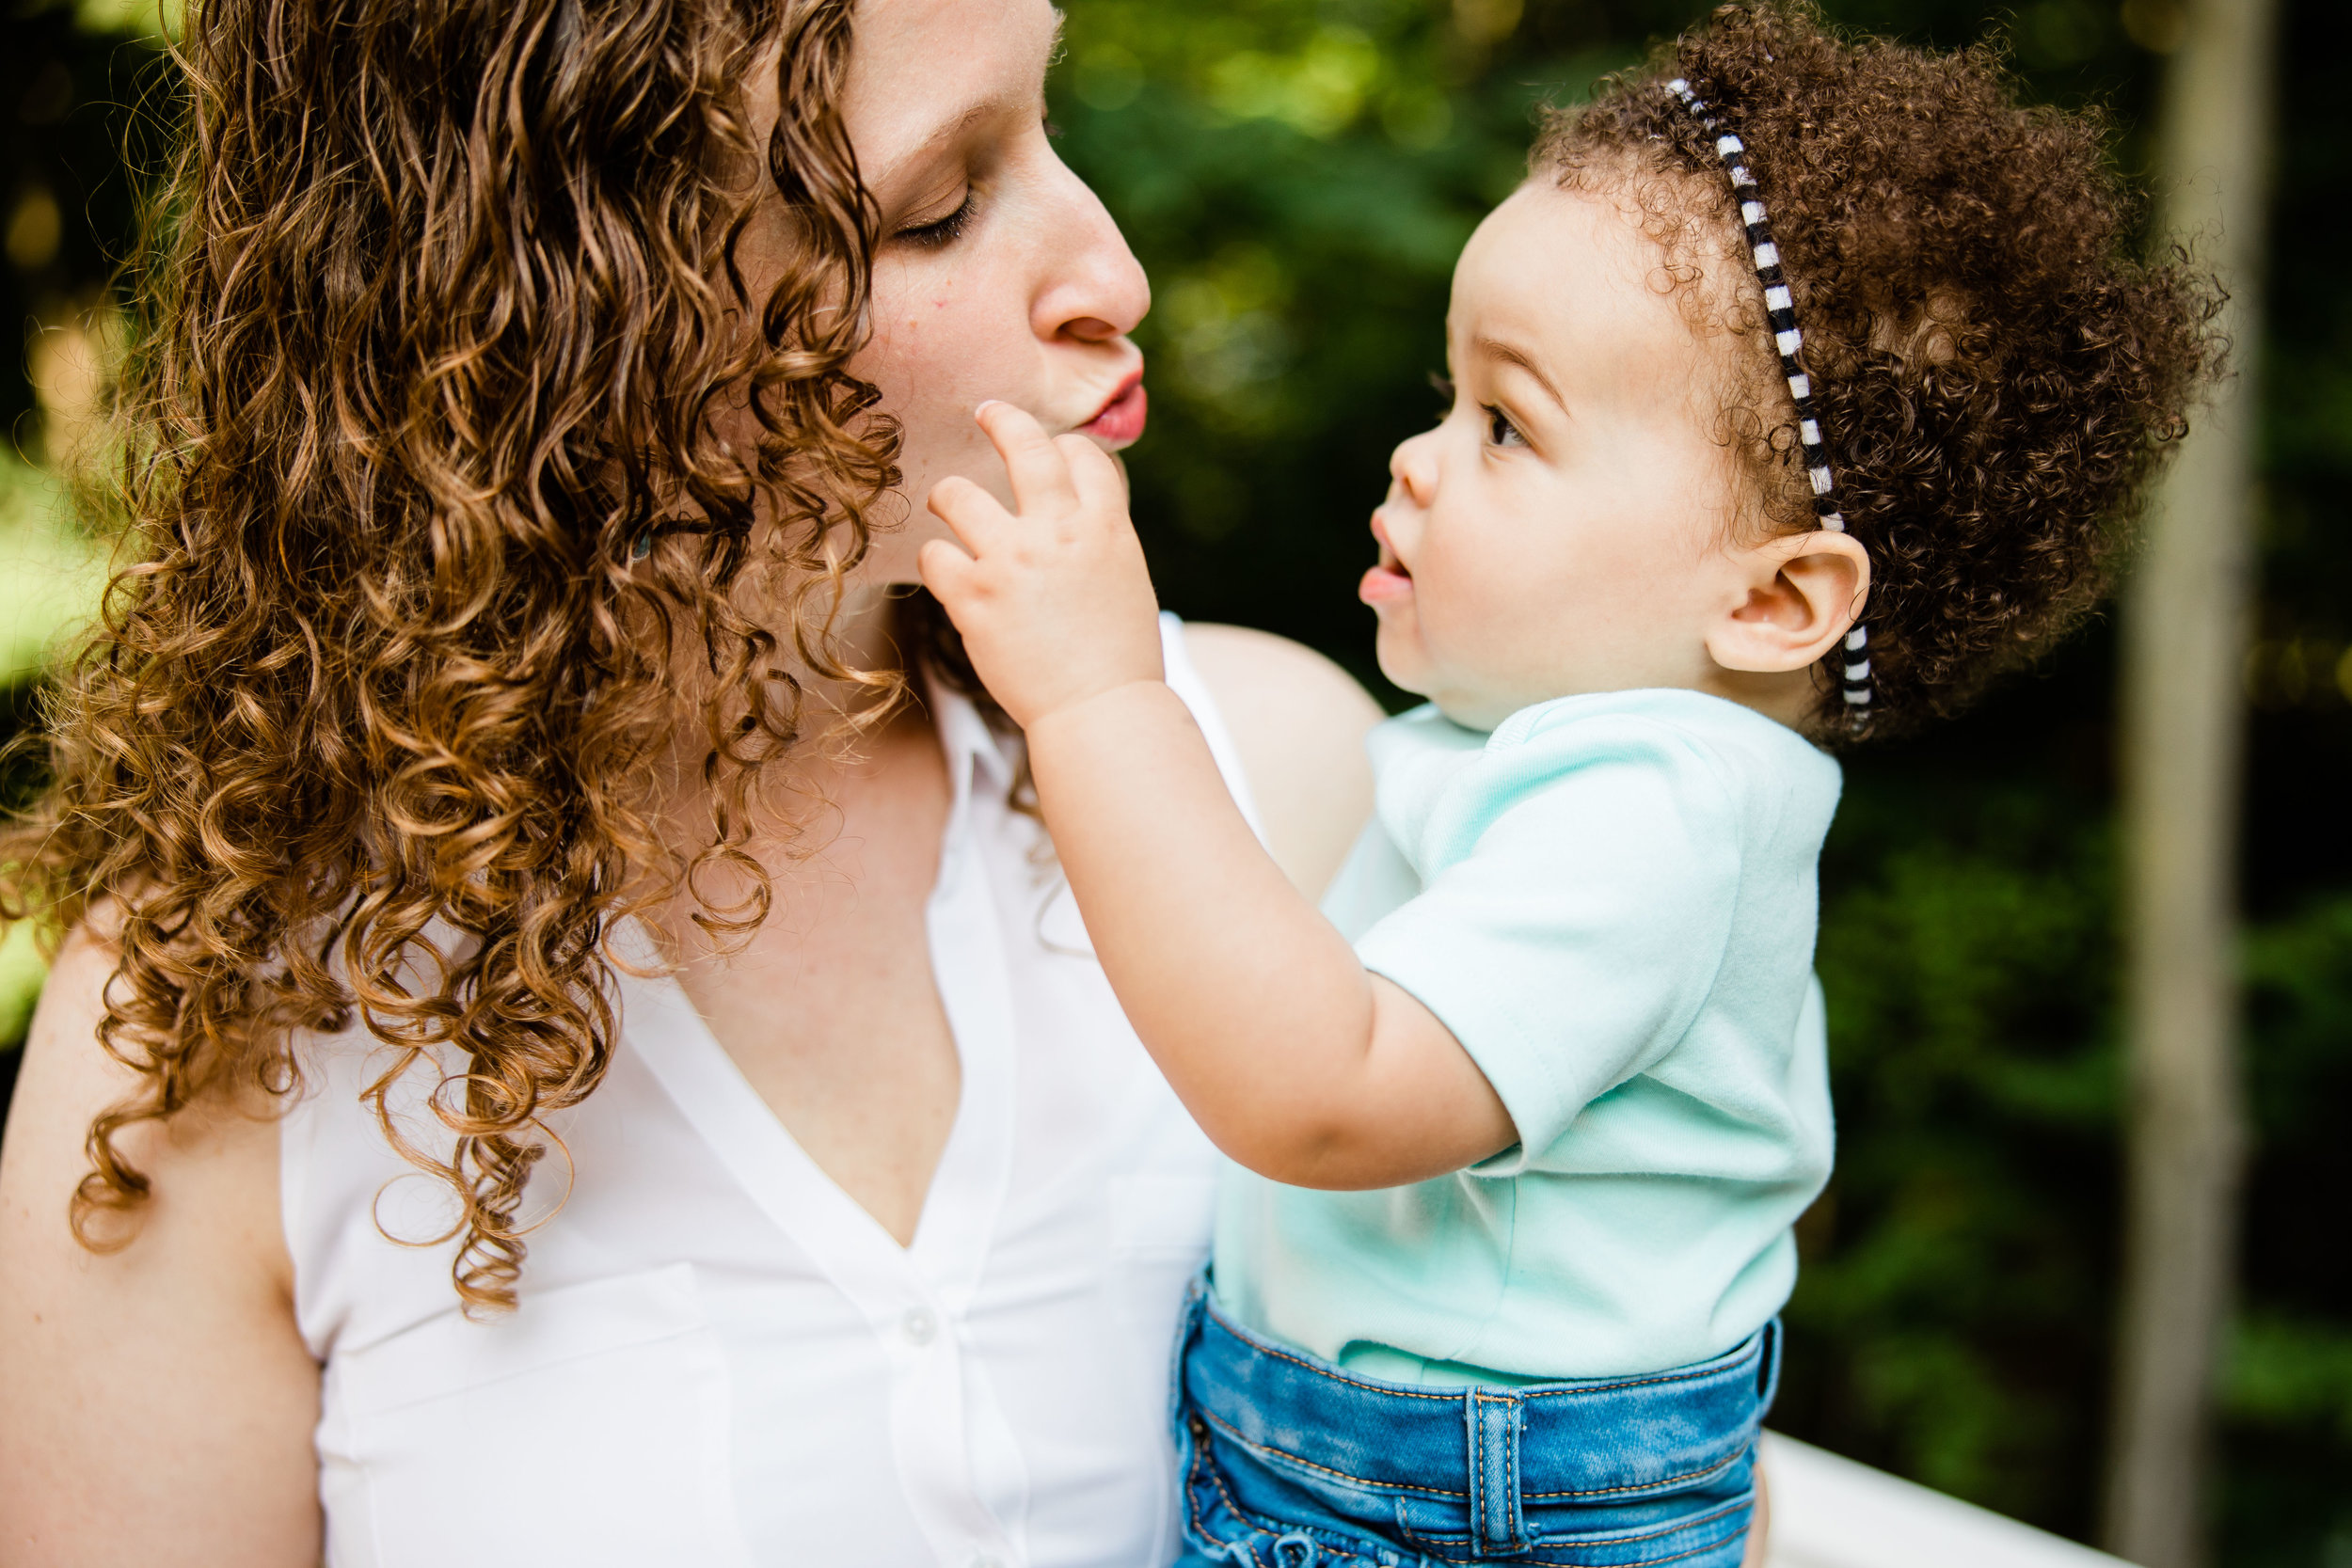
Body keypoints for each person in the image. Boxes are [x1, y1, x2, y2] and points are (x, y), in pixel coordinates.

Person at [0, 1, 1386, 1563]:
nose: (1112, 275)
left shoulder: (1286, 779)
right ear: (581, 324)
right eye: (937, 209)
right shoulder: (207, 1029)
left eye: (1050, 120)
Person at [914, 5, 2218, 1564]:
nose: (1418, 457)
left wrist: (1095, 696)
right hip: (1371, 1460)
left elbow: (1323, 1097)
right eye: (1448, 392)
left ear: (1774, 602)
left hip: (1455, 1507)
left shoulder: (1656, 812)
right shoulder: (1552, 757)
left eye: (1509, 424)